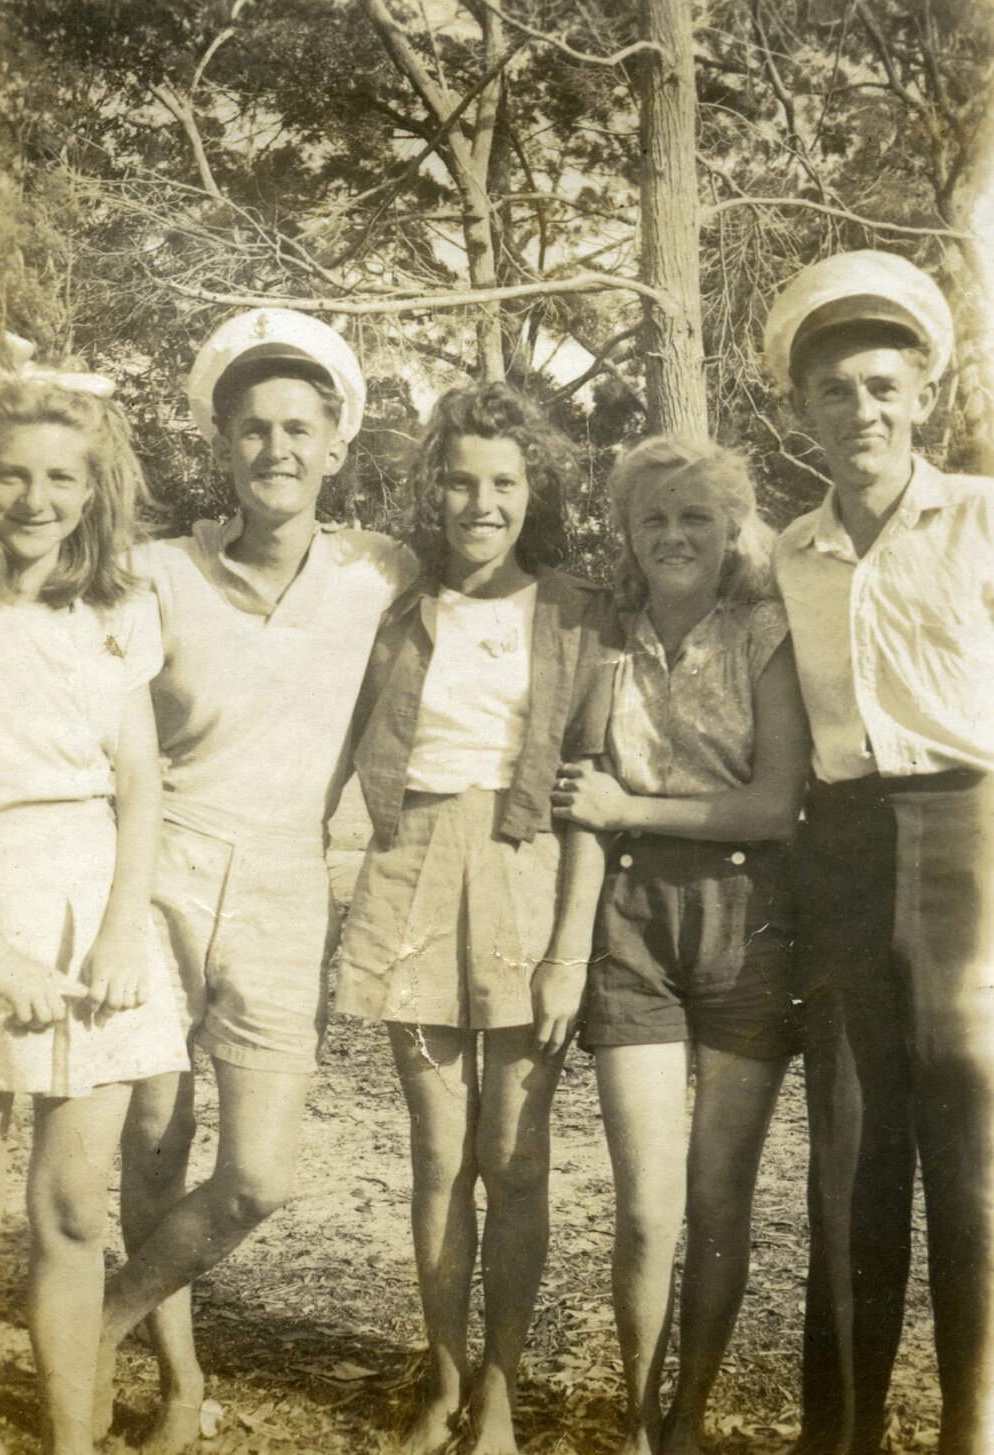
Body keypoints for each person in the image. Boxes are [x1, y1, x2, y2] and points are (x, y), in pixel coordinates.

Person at [94, 309, 418, 1454]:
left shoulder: (381, 572)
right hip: (161, 867)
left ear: (338, 446)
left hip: (286, 880)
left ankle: (95, 1329)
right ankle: (177, 1386)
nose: (275, 449)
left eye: (298, 428)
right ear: (221, 445)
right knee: (153, 1137)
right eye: (251, 430)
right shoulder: (155, 575)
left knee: (260, 1175)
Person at [335, 381, 612, 1455]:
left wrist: (568, 946)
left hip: (525, 873)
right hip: (412, 874)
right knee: (439, 1153)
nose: (480, 503)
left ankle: (503, 1384)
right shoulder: (396, 613)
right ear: (434, 490)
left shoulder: (576, 612)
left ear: (531, 491)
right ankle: (444, 1379)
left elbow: (589, 784)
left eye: (502, 483)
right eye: (460, 482)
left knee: (517, 1153)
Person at [765, 249, 994, 1455]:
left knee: (974, 1151)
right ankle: (840, 1433)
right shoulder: (788, 557)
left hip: (974, 845)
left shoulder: (983, 520)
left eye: (880, 387)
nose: (860, 411)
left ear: (922, 397)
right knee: (849, 1153)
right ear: (801, 411)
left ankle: (974, 1421)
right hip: (843, 848)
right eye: (834, 392)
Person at [551, 436, 810, 1455]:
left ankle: (693, 1416)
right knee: (647, 1207)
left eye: (695, 516)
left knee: (716, 1199)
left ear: (732, 527)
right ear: (625, 531)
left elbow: (777, 807)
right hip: (633, 923)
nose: (672, 535)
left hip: (747, 925)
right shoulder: (605, 637)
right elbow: (577, 788)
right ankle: (638, 1418)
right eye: (652, 518)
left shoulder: (762, 634)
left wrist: (630, 803)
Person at [0, 349, 189, 1455]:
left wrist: (120, 933)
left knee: (71, 1212)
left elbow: (140, 782)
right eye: (13, 475)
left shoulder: (114, 610)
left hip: (86, 914)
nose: (37, 502)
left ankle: (72, 1443)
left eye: (61, 481)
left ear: (93, 490)